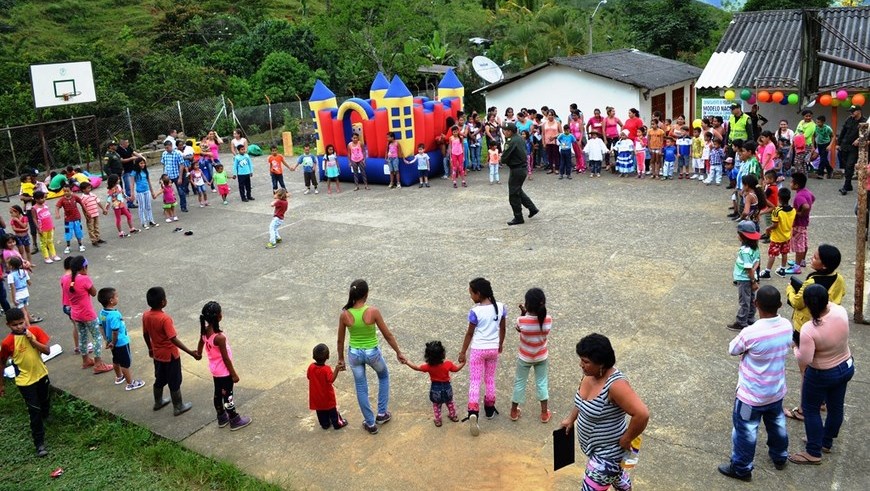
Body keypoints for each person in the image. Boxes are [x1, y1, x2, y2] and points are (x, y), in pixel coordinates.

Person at [718, 285, 792, 481]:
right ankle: (780, 456)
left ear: (756, 304)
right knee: (777, 423)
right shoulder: (786, 325)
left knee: (746, 430)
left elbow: (733, 349)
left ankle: (741, 468)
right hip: (775, 390)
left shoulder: (751, 332)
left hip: (751, 395)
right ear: (780, 305)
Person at [559, 333, 649, 491]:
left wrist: (627, 439)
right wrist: (570, 419)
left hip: (609, 454)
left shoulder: (616, 386)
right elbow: (581, 401)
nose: (581, 365)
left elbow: (642, 414)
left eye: (585, 361)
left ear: (601, 363)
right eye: (581, 360)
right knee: (617, 477)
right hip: (595, 449)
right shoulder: (589, 374)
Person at [788, 285, 854, 465]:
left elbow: (806, 358)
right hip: (845, 365)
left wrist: (795, 349)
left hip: (822, 373)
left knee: (811, 410)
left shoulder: (810, 329)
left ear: (808, 305)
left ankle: (813, 451)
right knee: (836, 406)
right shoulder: (840, 311)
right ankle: (826, 441)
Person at [336, 279, 407, 435]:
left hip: (354, 354)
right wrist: (398, 352)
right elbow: (387, 334)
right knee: (383, 376)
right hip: (372, 353)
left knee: (361, 387)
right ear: (366, 294)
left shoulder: (345, 314)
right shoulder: (373, 311)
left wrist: (341, 359)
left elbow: (340, 340)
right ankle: (381, 414)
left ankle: (370, 423)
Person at [0, 308, 52, 457]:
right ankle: (39, 443)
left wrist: (32, 340)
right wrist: (1, 384)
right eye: (15, 325)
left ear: (25, 320)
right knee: (34, 411)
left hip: (41, 374)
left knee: (44, 400)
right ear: (8, 325)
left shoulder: (34, 331)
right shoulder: (8, 342)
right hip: (25, 381)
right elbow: (2, 362)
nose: (19, 327)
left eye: (21, 323)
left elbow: (47, 351)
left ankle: (47, 416)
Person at [458, 277, 506, 436]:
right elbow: (502, 329)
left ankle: (473, 411)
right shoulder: (500, 307)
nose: (471, 297)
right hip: (493, 349)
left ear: (478, 294)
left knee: (475, 381)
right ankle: (490, 409)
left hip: (478, 350)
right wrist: (500, 344)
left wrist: (463, 352)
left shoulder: (475, 312)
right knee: (490, 379)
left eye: (471, 294)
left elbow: (470, 333)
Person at [142, 286, 200, 416]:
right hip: (170, 355)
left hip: (157, 355)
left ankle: (158, 402)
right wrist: (191, 352)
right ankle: (178, 406)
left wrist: (150, 348)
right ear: (163, 302)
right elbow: (173, 339)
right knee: (174, 381)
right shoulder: (165, 319)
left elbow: (145, 334)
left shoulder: (146, 315)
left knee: (159, 379)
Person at [195, 301, 252, 431]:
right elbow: (225, 358)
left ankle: (221, 417)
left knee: (217, 394)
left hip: (215, 371)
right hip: (224, 372)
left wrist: (198, 353)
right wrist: (233, 374)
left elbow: (200, 343)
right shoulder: (219, 337)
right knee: (228, 395)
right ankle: (234, 419)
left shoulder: (205, 332)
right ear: (219, 317)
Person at [62, 256, 114, 373]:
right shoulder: (84, 279)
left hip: (75, 314)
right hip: (87, 314)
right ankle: (98, 363)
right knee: (97, 336)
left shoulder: (65, 279)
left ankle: (85, 360)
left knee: (83, 336)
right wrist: (86, 278)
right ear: (84, 267)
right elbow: (94, 292)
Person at [509, 287, 552, 423]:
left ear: (527, 305)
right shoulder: (548, 320)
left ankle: (514, 411)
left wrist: (523, 314)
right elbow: (538, 323)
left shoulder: (521, 321)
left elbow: (519, 328)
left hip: (525, 357)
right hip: (541, 357)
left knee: (520, 383)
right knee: (542, 383)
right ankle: (544, 413)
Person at [402, 340, 465, 427]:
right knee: (450, 402)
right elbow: (456, 369)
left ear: (427, 356)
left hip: (435, 389)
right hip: (447, 388)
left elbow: (416, 367)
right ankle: (453, 416)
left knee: (436, 406)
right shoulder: (448, 364)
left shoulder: (428, 367)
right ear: (443, 353)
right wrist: (463, 362)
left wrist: (407, 362)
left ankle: (438, 420)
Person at [97, 287, 145, 391]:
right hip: (120, 342)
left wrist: (107, 340)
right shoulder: (115, 314)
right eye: (116, 296)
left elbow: (101, 327)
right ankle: (130, 383)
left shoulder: (102, 313)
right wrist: (113, 342)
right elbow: (115, 331)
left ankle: (119, 377)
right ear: (111, 300)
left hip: (111, 342)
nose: (117, 298)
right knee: (125, 363)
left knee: (116, 359)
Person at [502, 123, 539, 226]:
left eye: (505, 130)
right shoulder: (518, 138)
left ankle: (518, 217)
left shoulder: (512, 141)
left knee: (513, 194)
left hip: (517, 169)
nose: (504, 132)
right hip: (522, 168)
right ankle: (532, 208)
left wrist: (502, 158)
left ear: (509, 131)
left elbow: (505, 157)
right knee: (518, 190)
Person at [728, 221, 760, 331]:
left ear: (743, 236)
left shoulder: (745, 251)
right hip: (750, 277)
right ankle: (750, 318)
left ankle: (741, 322)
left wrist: (753, 281)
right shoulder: (755, 248)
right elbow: (756, 262)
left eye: (738, 234)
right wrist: (753, 273)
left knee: (744, 301)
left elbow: (748, 268)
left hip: (745, 279)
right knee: (751, 299)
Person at [307, 343, 348, 430]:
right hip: (327, 396)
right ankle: (338, 423)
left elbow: (308, 377)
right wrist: (336, 369)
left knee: (320, 410)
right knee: (332, 410)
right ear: (328, 356)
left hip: (316, 396)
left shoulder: (311, 367)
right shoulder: (326, 369)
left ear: (314, 356)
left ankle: (325, 424)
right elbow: (331, 380)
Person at [759, 188, 795, 279]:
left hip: (777, 237)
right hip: (786, 236)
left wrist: (768, 229)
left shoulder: (777, 211)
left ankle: (767, 271)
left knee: (772, 254)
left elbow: (775, 225)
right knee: (784, 253)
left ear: (779, 198)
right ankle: (782, 269)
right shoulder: (793, 210)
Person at [785, 172, 815, 274]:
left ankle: (797, 267)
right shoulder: (806, 192)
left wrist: (800, 213)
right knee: (804, 242)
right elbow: (813, 198)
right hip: (804, 223)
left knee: (799, 245)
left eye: (791, 182)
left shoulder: (799, 196)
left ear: (796, 185)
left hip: (799, 223)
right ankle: (802, 261)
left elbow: (806, 206)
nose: (790, 184)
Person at [838, 105, 866, 196]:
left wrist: (859, 139)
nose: (851, 113)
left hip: (854, 148)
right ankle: (848, 184)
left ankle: (846, 185)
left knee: (850, 165)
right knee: (846, 165)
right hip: (844, 145)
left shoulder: (864, 122)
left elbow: (867, 134)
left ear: (859, 111)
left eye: (853, 111)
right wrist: (838, 144)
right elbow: (843, 131)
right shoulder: (849, 119)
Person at [53, 184, 86, 254]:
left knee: (78, 231)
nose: (66, 192)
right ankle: (68, 246)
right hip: (68, 219)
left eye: (67, 191)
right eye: (64, 191)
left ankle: (80, 244)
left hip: (77, 218)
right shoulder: (62, 200)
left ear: (71, 191)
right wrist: (57, 214)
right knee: (68, 233)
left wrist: (87, 212)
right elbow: (57, 207)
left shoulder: (75, 197)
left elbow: (81, 203)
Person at [7, 256, 40, 325]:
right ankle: (30, 319)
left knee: (23, 313)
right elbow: (29, 283)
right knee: (25, 309)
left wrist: (13, 299)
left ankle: (28, 327)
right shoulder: (24, 272)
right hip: (25, 293)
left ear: (11, 266)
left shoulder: (10, 276)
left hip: (18, 295)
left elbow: (13, 288)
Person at [32, 191, 60, 263]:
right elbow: (34, 218)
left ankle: (54, 255)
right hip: (42, 228)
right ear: (36, 199)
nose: (43, 200)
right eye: (40, 198)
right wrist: (38, 228)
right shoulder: (34, 208)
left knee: (50, 241)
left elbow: (49, 216)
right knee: (43, 243)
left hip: (49, 227)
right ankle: (46, 257)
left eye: (43, 198)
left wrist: (52, 225)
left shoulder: (45, 205)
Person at [160, 140, 188, 213]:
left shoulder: (177, 153)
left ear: (171, 146)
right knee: (166, 192)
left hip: (176, 175)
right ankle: (167, 207)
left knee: (181, 191)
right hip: (167, 176)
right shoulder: (164, 154)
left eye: (168, 147)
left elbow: (181, 165)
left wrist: (180, 177)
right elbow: (164, 165)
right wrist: (163, 176)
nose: (166, 149)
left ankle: (183, 206)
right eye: (165, 148)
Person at [131, 160, 157, 229]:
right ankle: (143, 222)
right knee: (141, 207)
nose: (143, 165)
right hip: (140, 192)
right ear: (137, 164)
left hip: (147, 190)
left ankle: (151, 220)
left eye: (143, 163)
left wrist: (152, 192)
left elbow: (149, 182)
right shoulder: (134, 172)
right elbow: (132, 183)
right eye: (141, 163)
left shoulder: (145, 171)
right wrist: (132, 193)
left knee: (148, 206)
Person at [117, 139, 145, 204]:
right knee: (128, 187)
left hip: (133, 169)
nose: (128, 144)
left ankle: (139, 198)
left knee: (139, 183)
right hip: (126, 170)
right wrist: (131, 158)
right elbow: (121, 160)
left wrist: (141, 157)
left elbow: (134, 153)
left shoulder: (128, 147)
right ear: (122, 144)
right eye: (126, 143)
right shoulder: (118, 150)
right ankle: (130, 203)